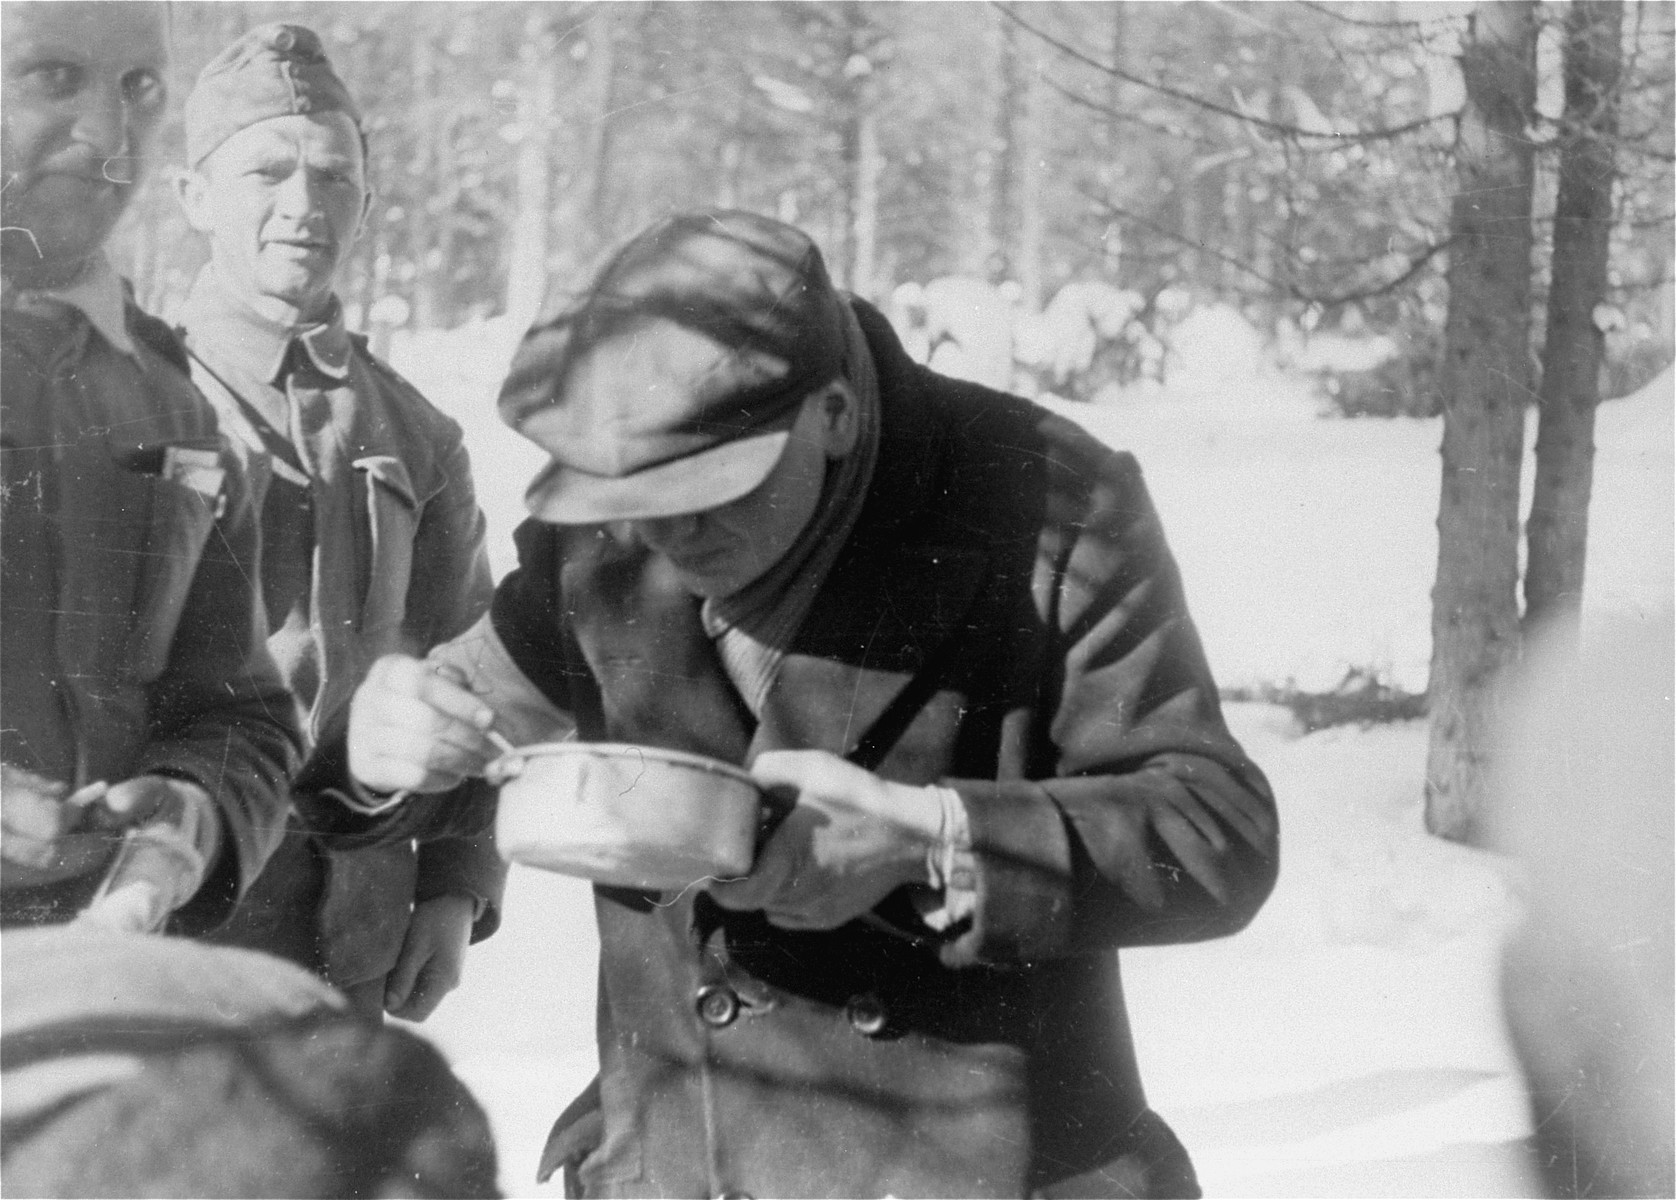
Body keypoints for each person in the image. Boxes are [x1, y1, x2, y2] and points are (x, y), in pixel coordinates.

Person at [350, 210, 1280, 1198]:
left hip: (976, 1171)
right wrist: (392, 736)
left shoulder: (1043, 503)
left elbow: (1215, 830)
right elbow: (476, 696)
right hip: (681, 1161)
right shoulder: (609, 523)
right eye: (638, 500)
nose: (673, 534)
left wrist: (930, 841)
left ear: (831, 412)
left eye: (716, 487)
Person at [170, 23, 505, 1021]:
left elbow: (469, 663)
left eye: (333, 177)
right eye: (267, 171)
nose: (302, 206)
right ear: (194, 198)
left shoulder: (416, 431)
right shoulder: (127, 403)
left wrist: (454, 886)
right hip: (161, 921)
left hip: (348, 930)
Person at [0, 0, 298, 934]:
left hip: (94, 982)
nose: (107, 133)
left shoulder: (173, 403)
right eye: (52, 76)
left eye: (141, 88)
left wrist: (189, 815)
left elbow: (242, 711)